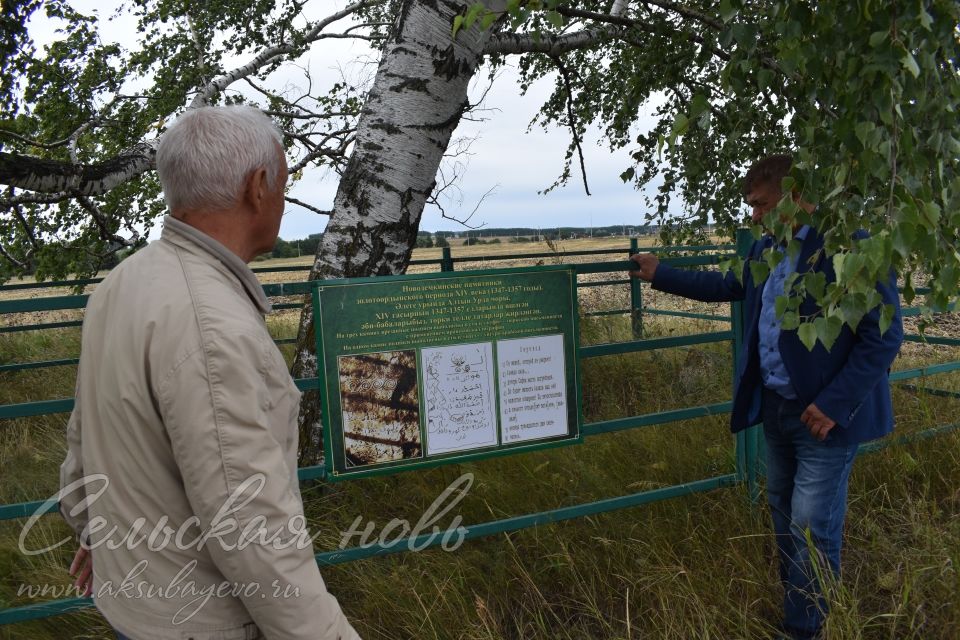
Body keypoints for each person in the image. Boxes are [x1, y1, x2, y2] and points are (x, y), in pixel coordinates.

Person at [58, 106, 361, 640]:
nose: (284, 202)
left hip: (137, 599)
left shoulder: (124, 282)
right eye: (284, 183)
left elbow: (88, 433)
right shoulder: (211, 325)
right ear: (259, 186)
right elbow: (251, 526)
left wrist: (96, 534)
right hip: (202, 619)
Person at [629, 154, 903, 640]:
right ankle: (803, 609)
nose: (753, 216)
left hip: (825, 419)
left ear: (796, 196)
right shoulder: (765, 250)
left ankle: (804, 630)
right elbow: (726, 285)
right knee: (783, 516)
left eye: (761, 204)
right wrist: (661, 273)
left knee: (811, 527)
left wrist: (834, 405)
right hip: (778, 409)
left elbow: (883, 337)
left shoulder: (851, 247)